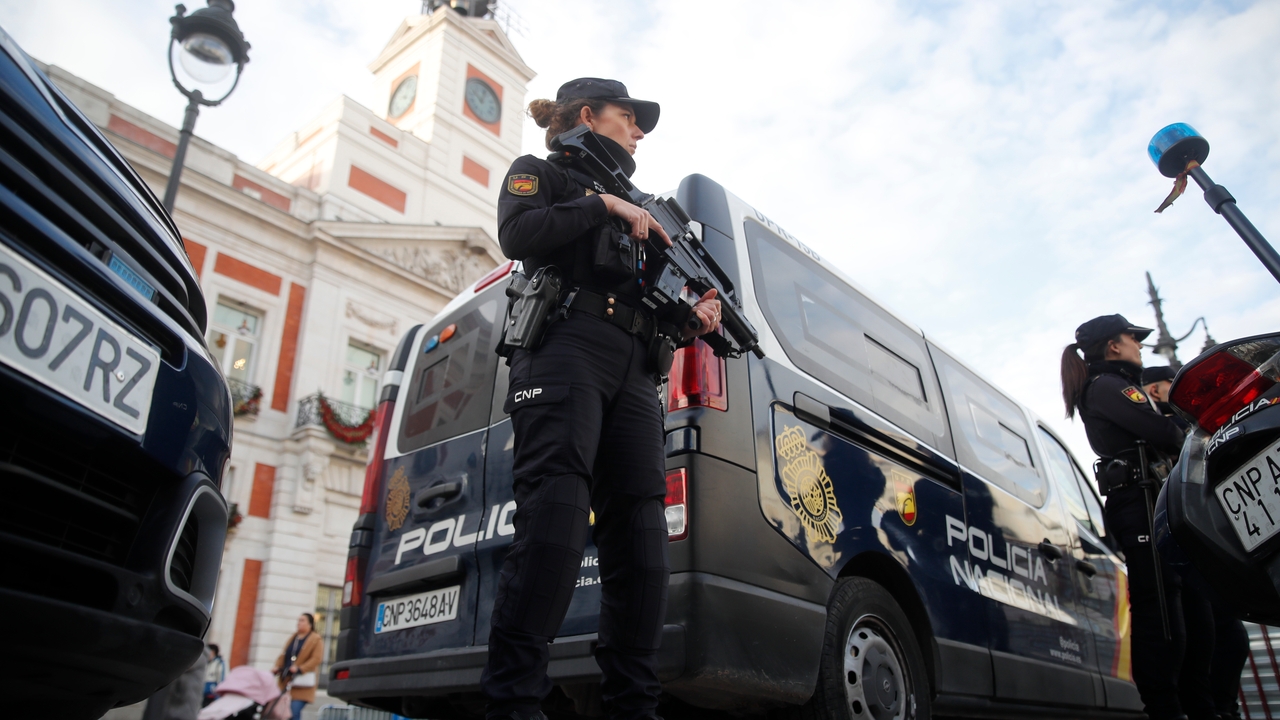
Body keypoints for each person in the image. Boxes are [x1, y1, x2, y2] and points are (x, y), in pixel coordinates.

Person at [478, 78, 722, 720]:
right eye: (629, 117)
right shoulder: (541, 172)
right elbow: (519, 235)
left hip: (636, 369)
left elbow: (656, 300)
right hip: (564, 349)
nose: (639, 130)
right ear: (588, 115)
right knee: (555, 513)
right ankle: (514, 702)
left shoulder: (648, 208)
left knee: (642, 537)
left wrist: (693, 318)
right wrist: (603, 207)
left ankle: (633, 707)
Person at [1062, 314, 1213, 720]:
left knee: (1185, 611)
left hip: (1151, 499)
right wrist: (1177, 428)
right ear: (1114, 346)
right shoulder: (1108, 387)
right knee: (1160, 610)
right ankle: (1166, 709)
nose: (1139, 346)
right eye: (1133, 338)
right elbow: (1165, 435)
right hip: (1137, 502)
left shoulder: (1114, 385)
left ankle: (1195, 706)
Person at [272, 613, 322, 720]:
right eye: (298, 620)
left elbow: (316, 659)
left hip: (302, 685)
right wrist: (277, 667)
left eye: (302, 620)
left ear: (310, 624)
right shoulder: (294, 637)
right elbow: (284, 654)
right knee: (281, 713)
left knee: (293, 712)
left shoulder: (315, 639)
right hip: (286, 682)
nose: (299, 623)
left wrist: (300, 668)